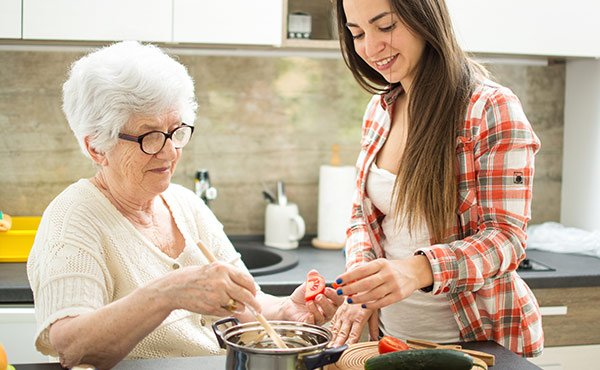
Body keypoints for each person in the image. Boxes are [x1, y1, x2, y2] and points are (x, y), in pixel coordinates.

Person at [26, 41, 342, 370]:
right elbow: (73, 348)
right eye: (150, 137)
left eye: (175, 131)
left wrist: (284, 312)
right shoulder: (72, 219)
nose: (170, 152)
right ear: (97, 148)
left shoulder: (185, 204)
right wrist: (166, 293)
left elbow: (248, 303)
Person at [327, 0, 543, 357]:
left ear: (424, 17)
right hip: (392, 342)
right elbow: (361, 219)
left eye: (385, 27)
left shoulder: (489, 108)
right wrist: (363, 286)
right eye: (357, 33)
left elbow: (507, 239)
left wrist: (417, 270)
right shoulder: (381, 109)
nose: (370, 47)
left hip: (477, 345)